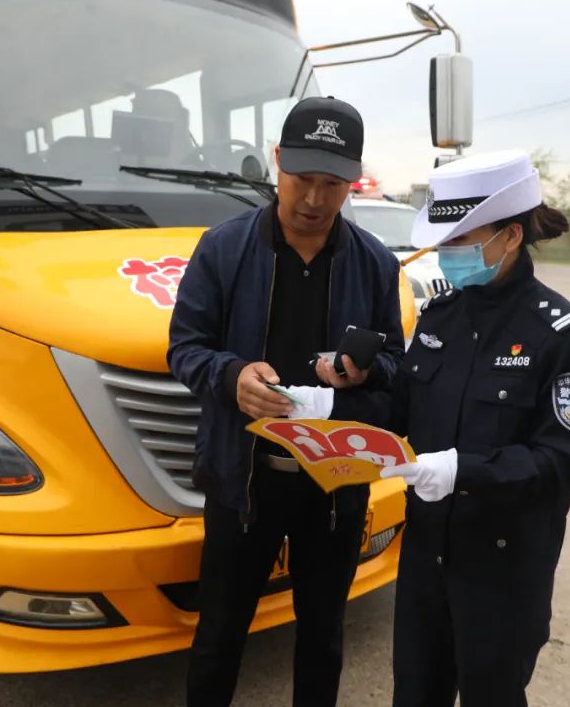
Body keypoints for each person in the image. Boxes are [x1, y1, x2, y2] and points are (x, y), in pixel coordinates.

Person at [292, 150, 570, 706]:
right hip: (426, 563)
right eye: (445, 241)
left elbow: (557, 464)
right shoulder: (441, 318)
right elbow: (400, 411)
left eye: (462, 241)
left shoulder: (565, 336)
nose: (446, 255)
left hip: (503, 570)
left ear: (510, 237)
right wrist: (327, 405)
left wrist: (463, 469)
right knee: (415, 693)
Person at [167, 96, 405, 707]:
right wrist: (231, 377)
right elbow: (185, 348)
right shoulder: (223, 250)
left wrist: (365, 373)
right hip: (243, 483)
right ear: (277, 162)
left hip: (333, 486)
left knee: (323, 637)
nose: (314, 201)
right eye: (302, 180)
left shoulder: (375, 264)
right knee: (220, 634)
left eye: (333, 185)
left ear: (353, 181)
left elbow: (398, 369)